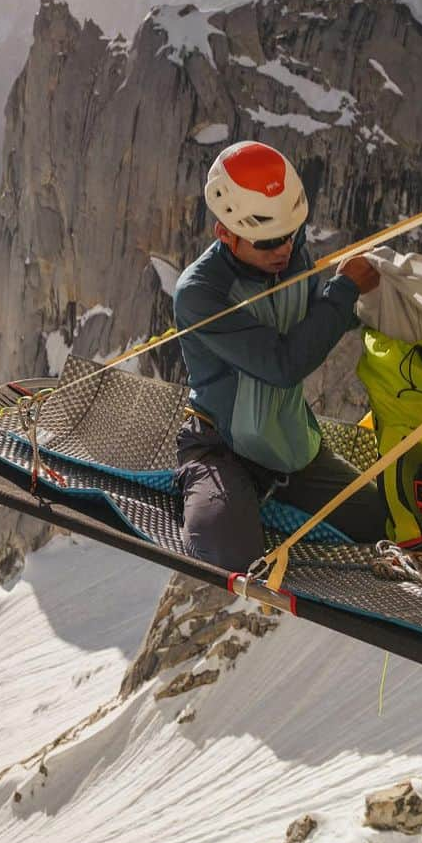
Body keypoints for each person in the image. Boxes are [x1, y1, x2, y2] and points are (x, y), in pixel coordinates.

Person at [172, 140, 389, 570]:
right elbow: (281, 365)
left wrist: (366, 300)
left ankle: (252, 497)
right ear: (225, 233)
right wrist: (342, 291)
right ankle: (202, 486)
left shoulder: (290, 256)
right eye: (269, 240)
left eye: (291, 234)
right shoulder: (200, 293)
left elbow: (311, 326)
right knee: (231, 556)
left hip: (290, 447)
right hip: (221, 449)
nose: (284, 250)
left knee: (384, 525)